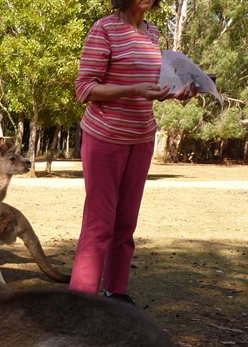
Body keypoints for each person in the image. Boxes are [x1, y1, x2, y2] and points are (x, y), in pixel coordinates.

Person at [71, 0, 196, 304]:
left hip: (141, 137)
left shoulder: (152, 33)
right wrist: (134, 90)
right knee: (99, 223)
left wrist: (176, 93)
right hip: (105, 136)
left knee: (126, 223)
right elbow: (85, 89)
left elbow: (152, 85)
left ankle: (116, 293)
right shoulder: (104, 29)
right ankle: (80, 303)